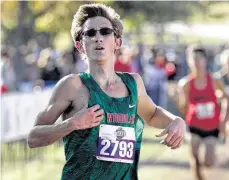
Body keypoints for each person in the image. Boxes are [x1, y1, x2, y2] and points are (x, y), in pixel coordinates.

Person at [27, 3, 185, 180]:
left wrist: (175, 120)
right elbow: (33, 138)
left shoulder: (133, 83)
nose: (98, 38)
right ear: (80, 45)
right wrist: (72, 124)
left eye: (105, 31)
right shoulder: (72, 85)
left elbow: (153, 114)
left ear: (118, 41)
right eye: (90, 33)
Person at [176, 46, 229, 180]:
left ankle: (214, 159)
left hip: (212, 127)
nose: (197, 62)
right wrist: (179, 101)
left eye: (200, 59)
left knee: (208, 162)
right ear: (189, 61)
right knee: (195, 160)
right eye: (194, 59)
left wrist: (223, 119)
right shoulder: (185, 84)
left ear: (205, 61)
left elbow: (225, 98)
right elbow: (183, 107)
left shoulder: (214, 80)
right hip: (194, 125)